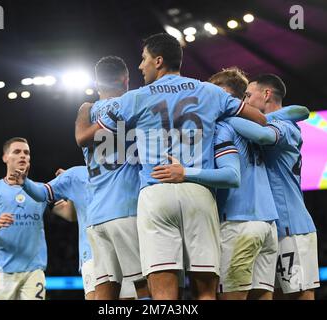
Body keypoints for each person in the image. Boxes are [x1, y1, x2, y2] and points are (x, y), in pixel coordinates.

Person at [75, 33, 267, 300]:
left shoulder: (135, 98)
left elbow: (87, 137)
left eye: (143, 60)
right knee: (205, 293)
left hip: (157, 192)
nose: (140, 66)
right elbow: (259, 119)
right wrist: (220, 125)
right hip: (199, 192)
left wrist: (85, 108)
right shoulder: (209, 91)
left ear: (158, 60)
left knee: (163, 295)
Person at [152, 68, 280, 300]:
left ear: (236, 100)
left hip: (238, 223)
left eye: (221, 97)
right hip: (268, 223)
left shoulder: (222, 127)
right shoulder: (254, 127)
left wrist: (185, 173)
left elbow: (231, 176)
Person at [225, 74, 319, 300]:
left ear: (266, 94)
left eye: (248, 95)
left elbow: (265, 136)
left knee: (299, 294)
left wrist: (226, 116)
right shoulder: (271, 121)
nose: (245, 101)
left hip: (291, 226)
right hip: (269, 224)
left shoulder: (285, 126)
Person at [75, 56, 148, 300]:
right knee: (145, 286)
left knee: (105, 292)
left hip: (95, 218)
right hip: (127, 209)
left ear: (97, 83)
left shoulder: (88, 113)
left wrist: (84, 107)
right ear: (126, 80)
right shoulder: (135, 105)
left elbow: (81, 137)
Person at [12, 166, 139, 300]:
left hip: (125, 247)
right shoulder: (76, 175)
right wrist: (69, 189)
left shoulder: (128, 169)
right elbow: (67, 212)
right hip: (92, 253)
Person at [0, 137, 48, 300]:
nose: (23, 156)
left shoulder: (40, 190)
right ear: (5, 158)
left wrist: (73, 188)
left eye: (26, 153)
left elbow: (70, 215)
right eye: (17, 152)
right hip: (3, 273)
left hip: (34, 271)